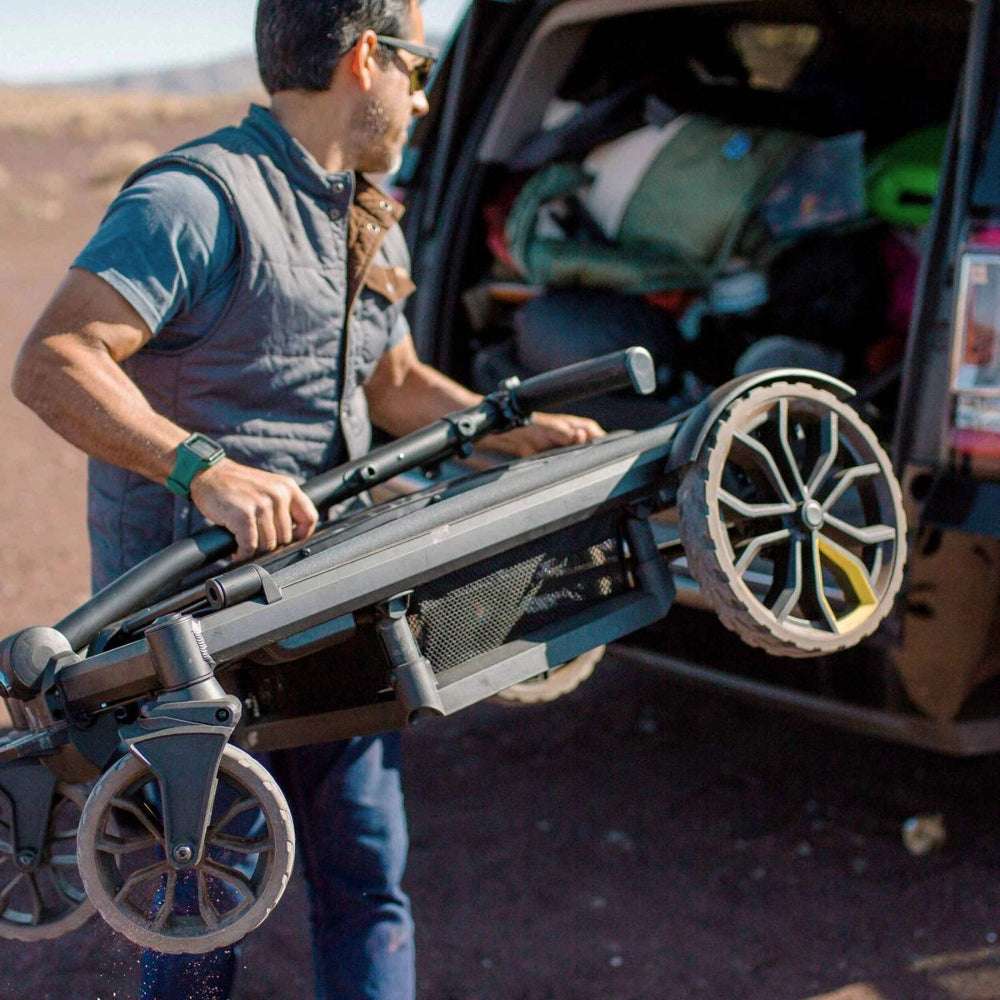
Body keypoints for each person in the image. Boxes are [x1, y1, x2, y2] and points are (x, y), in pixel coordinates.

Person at [10, 1, 603, 997]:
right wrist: (203, 468)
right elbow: (55, 360)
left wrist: (513, 427)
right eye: (415, 67)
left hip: (341, 614)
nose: (421, 96)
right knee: (199, 904)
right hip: (196, 646)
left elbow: (393, 379)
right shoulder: (196, 199)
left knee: (367, 879)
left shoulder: (365, 213)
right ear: (365, 56)